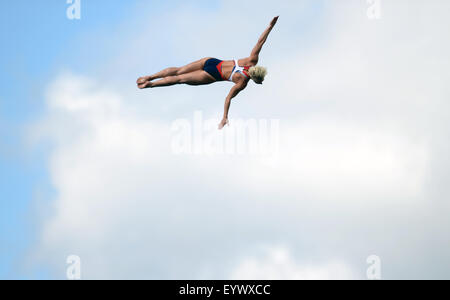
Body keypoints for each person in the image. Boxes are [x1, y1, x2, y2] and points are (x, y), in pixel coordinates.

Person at [137, 16, 279, 130]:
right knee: (179, 79)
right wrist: (225, 117)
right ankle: (151, 84)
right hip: (211, 75)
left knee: (179, 70)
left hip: (212, 62)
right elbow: (228, 98)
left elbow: (261, 41)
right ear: (254, 78)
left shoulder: (252, 60)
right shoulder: (242, 82)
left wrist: (270, 26)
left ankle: (150, 76)